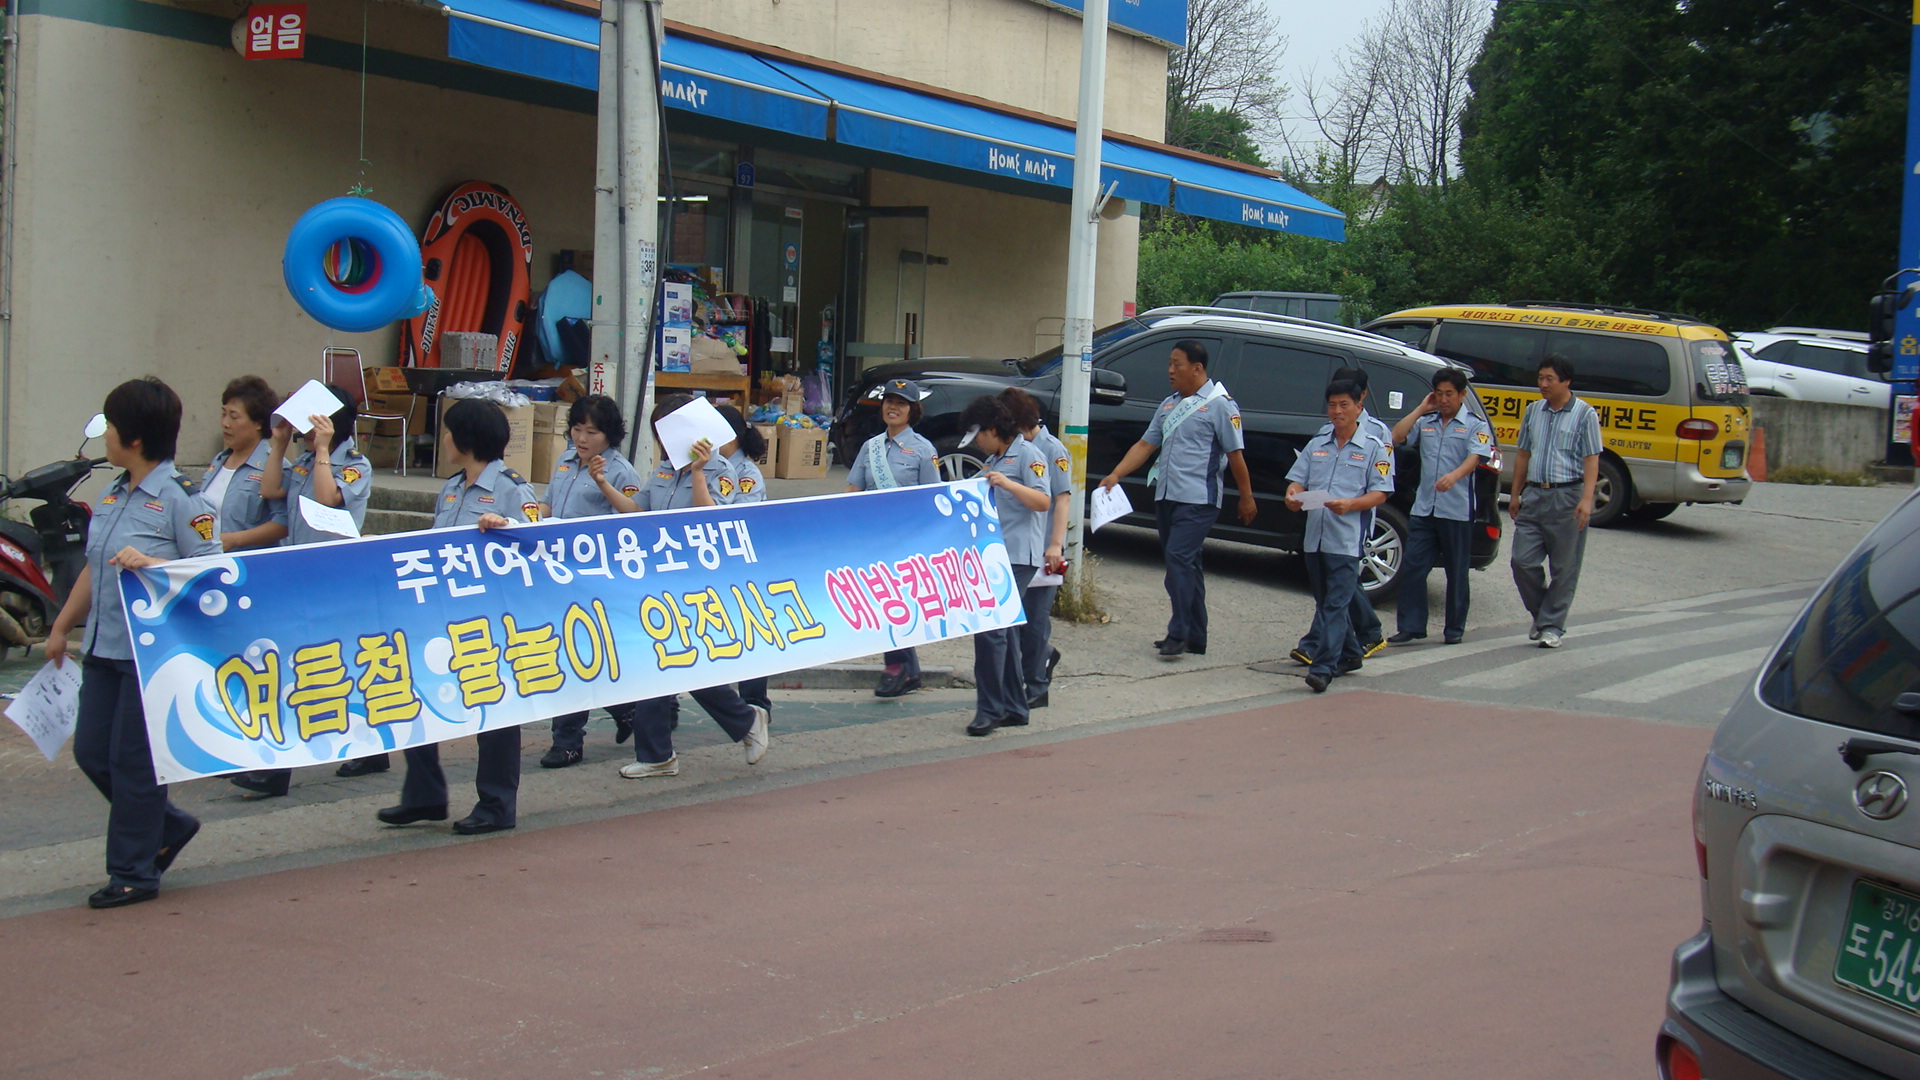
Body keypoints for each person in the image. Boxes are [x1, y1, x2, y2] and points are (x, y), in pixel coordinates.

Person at [45, 377, 220, 908]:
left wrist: (155, 563)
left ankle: (133, 872)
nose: (106, 436)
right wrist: (61, 627)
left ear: (136, 437)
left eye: (112, 426)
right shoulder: (114, 492)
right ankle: (168, 826)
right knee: (92, 752)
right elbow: (93, 569)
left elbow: (213, 574)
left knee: (133, 764)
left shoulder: (183, 499)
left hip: (151, 654)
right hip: (104, 647)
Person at [376, 398, 539, 835]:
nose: (444, 439)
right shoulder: (451, 488)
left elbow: (537, 543)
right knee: (415, 691)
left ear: (466, 439)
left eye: (449, 432)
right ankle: (424, 794)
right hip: (441, 611)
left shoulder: (511, 489)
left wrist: (507, 528)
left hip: (489, 618)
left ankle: (496, 804)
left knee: (496, 708)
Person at [232, 383, 379, 796]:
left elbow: (328, 497)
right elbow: (270, 490)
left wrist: (324, 449)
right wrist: (278, 443)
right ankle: (281, 766)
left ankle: (362, 748)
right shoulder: (302, 460)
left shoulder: (355, 464)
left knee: (336, 665)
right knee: (303, 666)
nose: (306, 429)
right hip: (298, 577)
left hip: (334, 580)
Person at [614, 395, 771, 779]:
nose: (665, 442)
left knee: (672, 661)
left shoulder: (721, 469)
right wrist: (603, 482)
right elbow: (637, 510)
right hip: (660, 577)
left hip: (699, 581)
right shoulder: (664, 469)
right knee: (663, 661)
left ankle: (738, 721)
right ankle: (663, 752)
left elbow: (711, 520)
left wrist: (699, 472)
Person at [1097, 340, 1256, 658]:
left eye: (1177, 364)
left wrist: (1246, 497)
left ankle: (1178, 633)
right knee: (1188, 564)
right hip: (1167, 495)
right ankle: (1197, 636)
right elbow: (1145, 445)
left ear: (1197, 368)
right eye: (1169, 363)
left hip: (1198, 500)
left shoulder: (1220, 405)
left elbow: (1235, 455)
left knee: (1178, 560)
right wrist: (1116, 474)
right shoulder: (1169, 405)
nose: (1170, 370)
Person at [535, 394, 644, 769]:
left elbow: (630, 520)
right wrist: (526, 516)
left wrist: (601, 482)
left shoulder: (620, 472)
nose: (581, 438)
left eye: (592, 432)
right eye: (577, 429)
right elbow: (548, 505)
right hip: (556, 572)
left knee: (574, 653)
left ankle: (568, 741)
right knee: (574, 654)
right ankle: (625, 708)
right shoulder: (565, 462)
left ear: (609, 435)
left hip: (594, 579)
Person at [1285, 378, 1394, 693]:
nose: (1337, 411)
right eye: (1332, 405)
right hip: (1315, 537)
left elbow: (1381, 493)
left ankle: (1322, 668)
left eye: (1344, 405)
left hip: (1346, 539)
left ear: (1359, 406)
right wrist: (1292, 494)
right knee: (1325, 602)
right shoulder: (1318, 443)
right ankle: (1350, 653)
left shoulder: (1373, 446)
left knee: (1335, 605)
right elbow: (1298, 479)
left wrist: (1352, 504)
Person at [958, 396, 1052, 735]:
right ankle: (1014, 706)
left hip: (1018, 555)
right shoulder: (993, 460)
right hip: (995, 554)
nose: (978, 445)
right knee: (1007, 631)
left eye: (979, 437)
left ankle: (990, 709)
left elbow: (1043, 501)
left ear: (993, 430)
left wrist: (1008, 483)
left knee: (990, 629)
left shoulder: (1029, 455)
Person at [845, 378, 941, 694]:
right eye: (889, 401)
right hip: (872, 536)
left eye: (901, 403)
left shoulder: (924, 450)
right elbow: (853, 489)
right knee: (882, 599)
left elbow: (932, 500)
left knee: (898, 601)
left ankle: (897, 666)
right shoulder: (870, 447)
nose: (893, 407)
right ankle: (907, 670)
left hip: (906, 539)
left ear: (913, 410)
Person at [1388, 368, 1493, 645]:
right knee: (1413, 566)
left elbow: (1476, 457)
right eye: (1439, 394)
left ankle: (1454, 628)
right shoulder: (1427, 422)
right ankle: (1411, 626)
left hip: (1456, 510)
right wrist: (1421, 409)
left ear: (1462, 395)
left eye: (1449, 394)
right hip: (1425, 508)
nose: (1444, 399)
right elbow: (1397, 436)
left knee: (1456, 572)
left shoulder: (1475, 425)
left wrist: (1454, 476)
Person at [1509, 354, 1603, 649]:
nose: (1543, 384)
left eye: (1550, 379)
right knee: (1522, 561)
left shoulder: (1584, 414)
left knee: (1564, 568)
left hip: (1567, 496)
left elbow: (1592, 459)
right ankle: (1542, 615)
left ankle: (1551, 626)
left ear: (1566, 381)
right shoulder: (1533, 411)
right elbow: (1523, 454)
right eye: (1540, 378)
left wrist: (1586, 499)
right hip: (1535, 495)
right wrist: (1515, 494)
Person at [997, 387, 1068, 708]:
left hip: (1044, 549)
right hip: (1018, 545)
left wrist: (1055, 545)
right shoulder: (1010, 450)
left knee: (1035, 621)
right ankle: (1038, 664)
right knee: (1018, 620)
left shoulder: (1051, 449)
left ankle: (1037, 686)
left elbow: (1062, 500)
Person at [716, 404, 773, 718]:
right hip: (715, 562)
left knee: (750, 630)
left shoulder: (746, 473)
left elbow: (739, 517)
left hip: (745, 563)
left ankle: (756, 704)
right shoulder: (708, 466)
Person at [202, 376, 287, 553]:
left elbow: (283, 522)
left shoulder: (275, 466)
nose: (225, 424)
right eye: (223, 414)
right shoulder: (219, 461)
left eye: (234, 417)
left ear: (258, 423)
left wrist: (235, 540)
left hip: (249, 564)